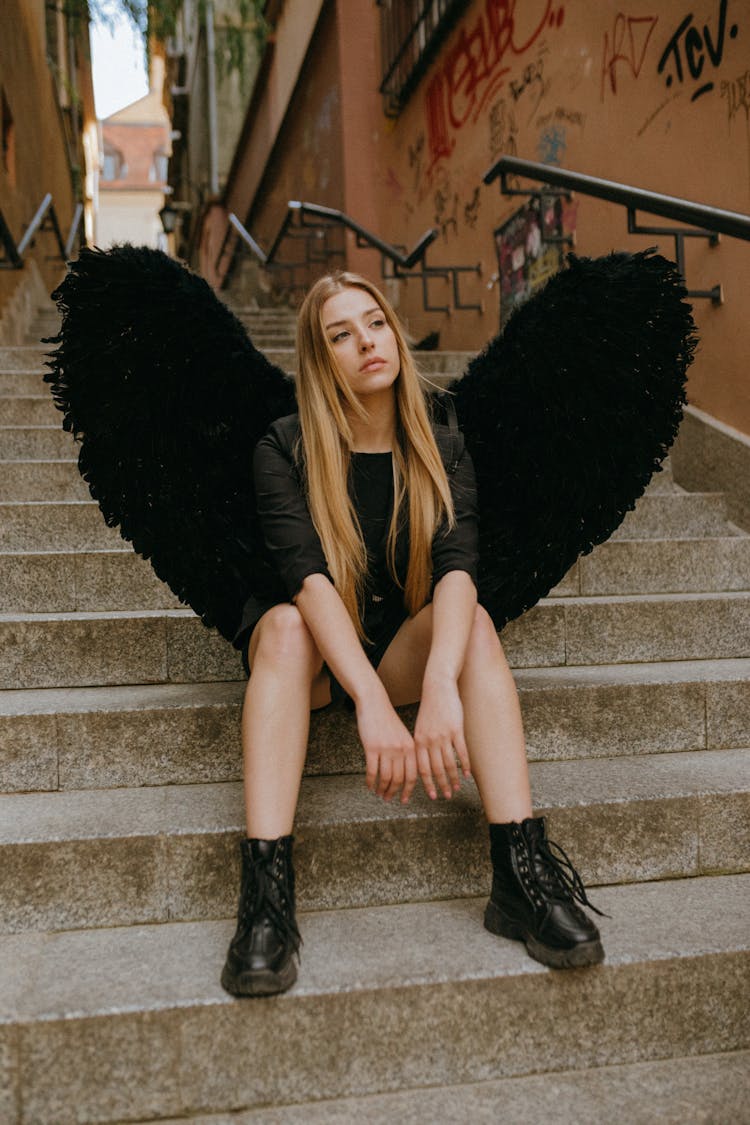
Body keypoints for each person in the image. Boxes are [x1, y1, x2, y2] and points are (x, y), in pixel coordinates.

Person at [220, 270, 604, 998]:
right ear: (319, 357)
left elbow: (459, 570)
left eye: (375, 322)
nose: (366, 341)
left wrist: (436, 687)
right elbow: (309, 580)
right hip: (313, 660)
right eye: (341, 333)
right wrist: (368, 702)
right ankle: (265, 899)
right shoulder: (284, 447)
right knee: (280, 627)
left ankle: (520, 872)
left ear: (396, 334)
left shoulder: (442, 445)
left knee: (477, 623)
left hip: (395, 650)